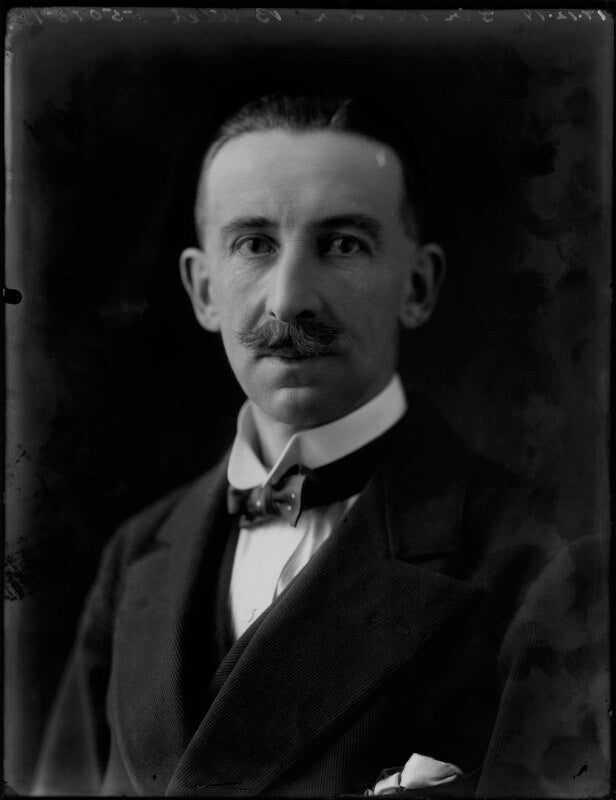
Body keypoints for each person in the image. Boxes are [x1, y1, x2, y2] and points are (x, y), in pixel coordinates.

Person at [33, 94, 604, 797]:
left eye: (342, 244)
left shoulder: (548, 564)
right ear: (203, 290)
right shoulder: (135, 559)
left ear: (418, 285)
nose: (289, 300)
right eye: (254, 244)